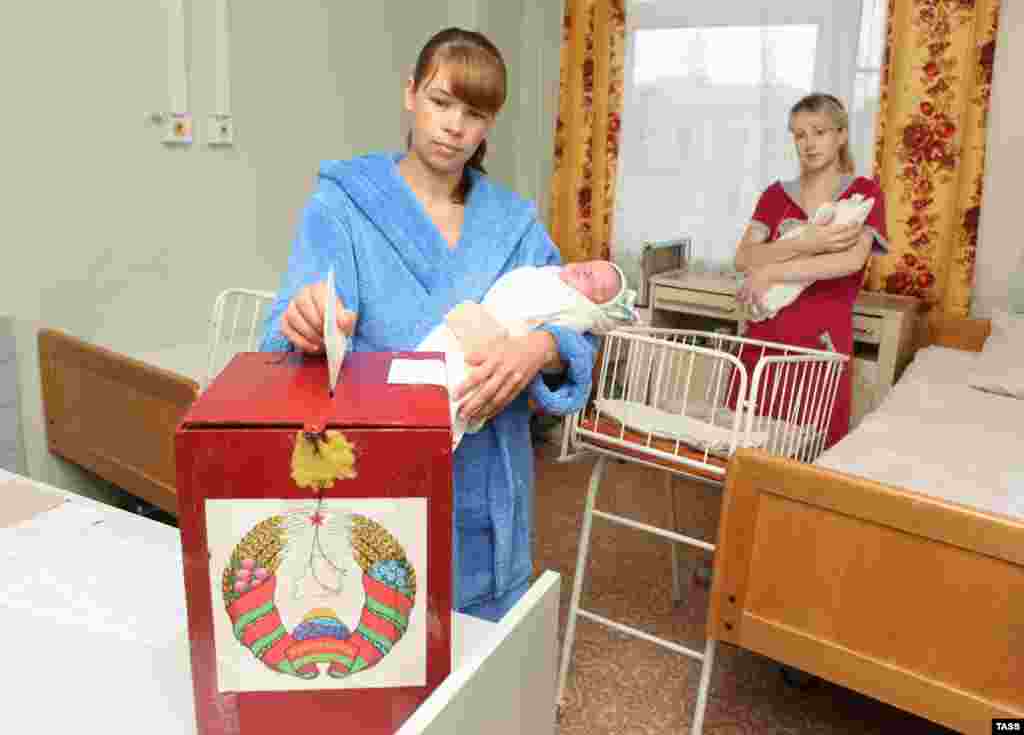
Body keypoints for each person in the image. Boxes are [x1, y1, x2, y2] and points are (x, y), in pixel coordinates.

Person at [259, 27, 598, 622]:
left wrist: (539, 348)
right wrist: (304, 318)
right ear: (410, 93)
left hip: (485, 482)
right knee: (371, 632)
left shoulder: (513, 224)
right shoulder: (344, 204)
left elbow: (575, 327)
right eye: (441, 102)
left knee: (478, 659)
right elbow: (286, 327)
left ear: (489, 125)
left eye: (475, 114)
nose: (454, 127)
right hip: (371, 468)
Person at [733, 92, 889, 450]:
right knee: (746, 448)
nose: (809, 143)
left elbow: (850, 261)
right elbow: (744, 258)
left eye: (819, 132)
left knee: (810, 451)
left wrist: (773, 272)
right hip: (764, 339)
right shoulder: (775, 195)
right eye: (800, 135)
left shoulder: (862, 195)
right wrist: (806, 241)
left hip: (821, 342)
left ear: (841, 135)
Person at [419, 259, 637, 448]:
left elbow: (578, 346)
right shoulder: (548, 275)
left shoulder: (579, 310)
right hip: (466, 327)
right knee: (431, 363)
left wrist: (545, 344)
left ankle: (427, 431)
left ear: (596, 306)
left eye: (594, 282)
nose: (587, 271)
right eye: (589, 265)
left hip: (494, 351)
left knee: (457, 386)